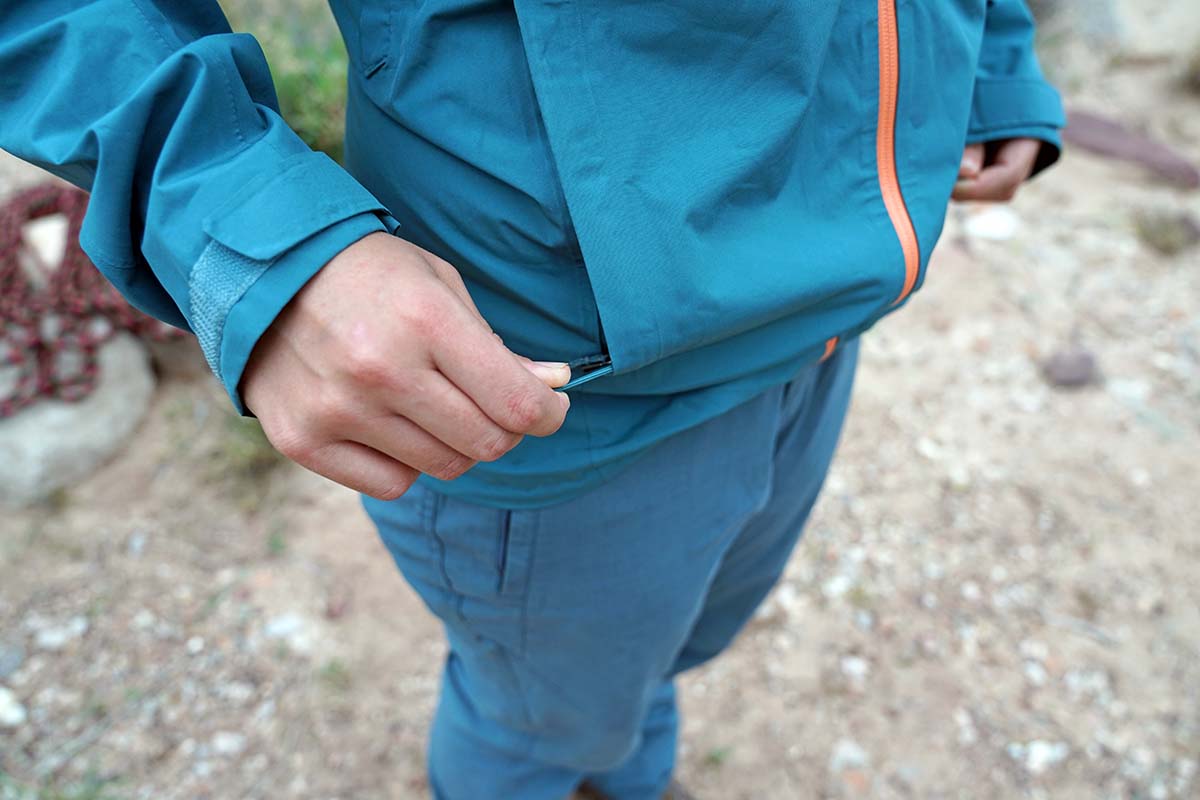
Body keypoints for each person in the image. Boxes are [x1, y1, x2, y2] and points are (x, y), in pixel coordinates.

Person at [0, 1, 1063, 797]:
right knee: (538, 720)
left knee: (655, 663)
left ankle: (626, 770)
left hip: (826, 322)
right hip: (555, 397)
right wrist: (237, 219)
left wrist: (992, 55)